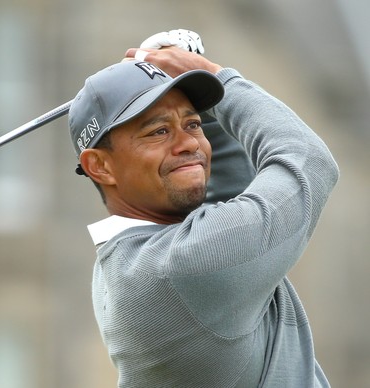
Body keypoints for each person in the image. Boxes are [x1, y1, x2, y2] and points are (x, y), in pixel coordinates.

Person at [68, 31, 339, 387]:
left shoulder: (129, 258)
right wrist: (215, 74)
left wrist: (179, 81)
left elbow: (222, 190)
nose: (188, 143)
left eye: (192, 124)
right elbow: (309, 163)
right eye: (158, 132)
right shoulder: (184, 266)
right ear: (100, 166)